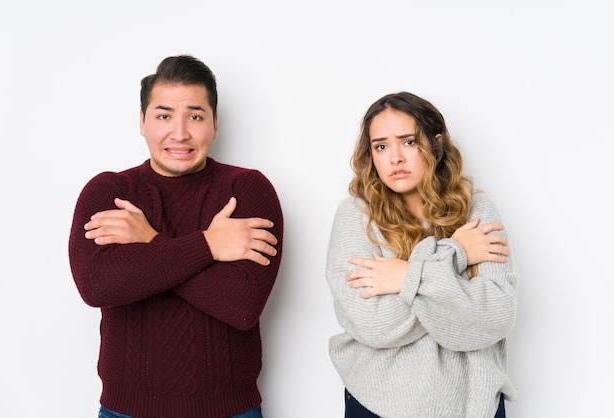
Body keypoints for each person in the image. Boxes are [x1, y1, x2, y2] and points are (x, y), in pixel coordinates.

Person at [68, 55, 283, 418]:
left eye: (195, 116)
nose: (179, 133)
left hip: (229, 411)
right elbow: (99, 286)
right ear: (142, 122)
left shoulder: (246, 189)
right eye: (164, 115)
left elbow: (241, 306)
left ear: (215, 124)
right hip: (127, 411)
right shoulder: (110, 191)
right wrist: (210, 245)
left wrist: (150, 241)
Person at [325, 92, 518, 417]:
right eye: (381, 146)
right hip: (380, 403)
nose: (395, 158)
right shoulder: (356, 217)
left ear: (436, 144)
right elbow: (375, 326)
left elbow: (494, 317)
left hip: (474, 404)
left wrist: (404, 277)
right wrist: (455, 254)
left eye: (409, 142)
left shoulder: (476, 211)